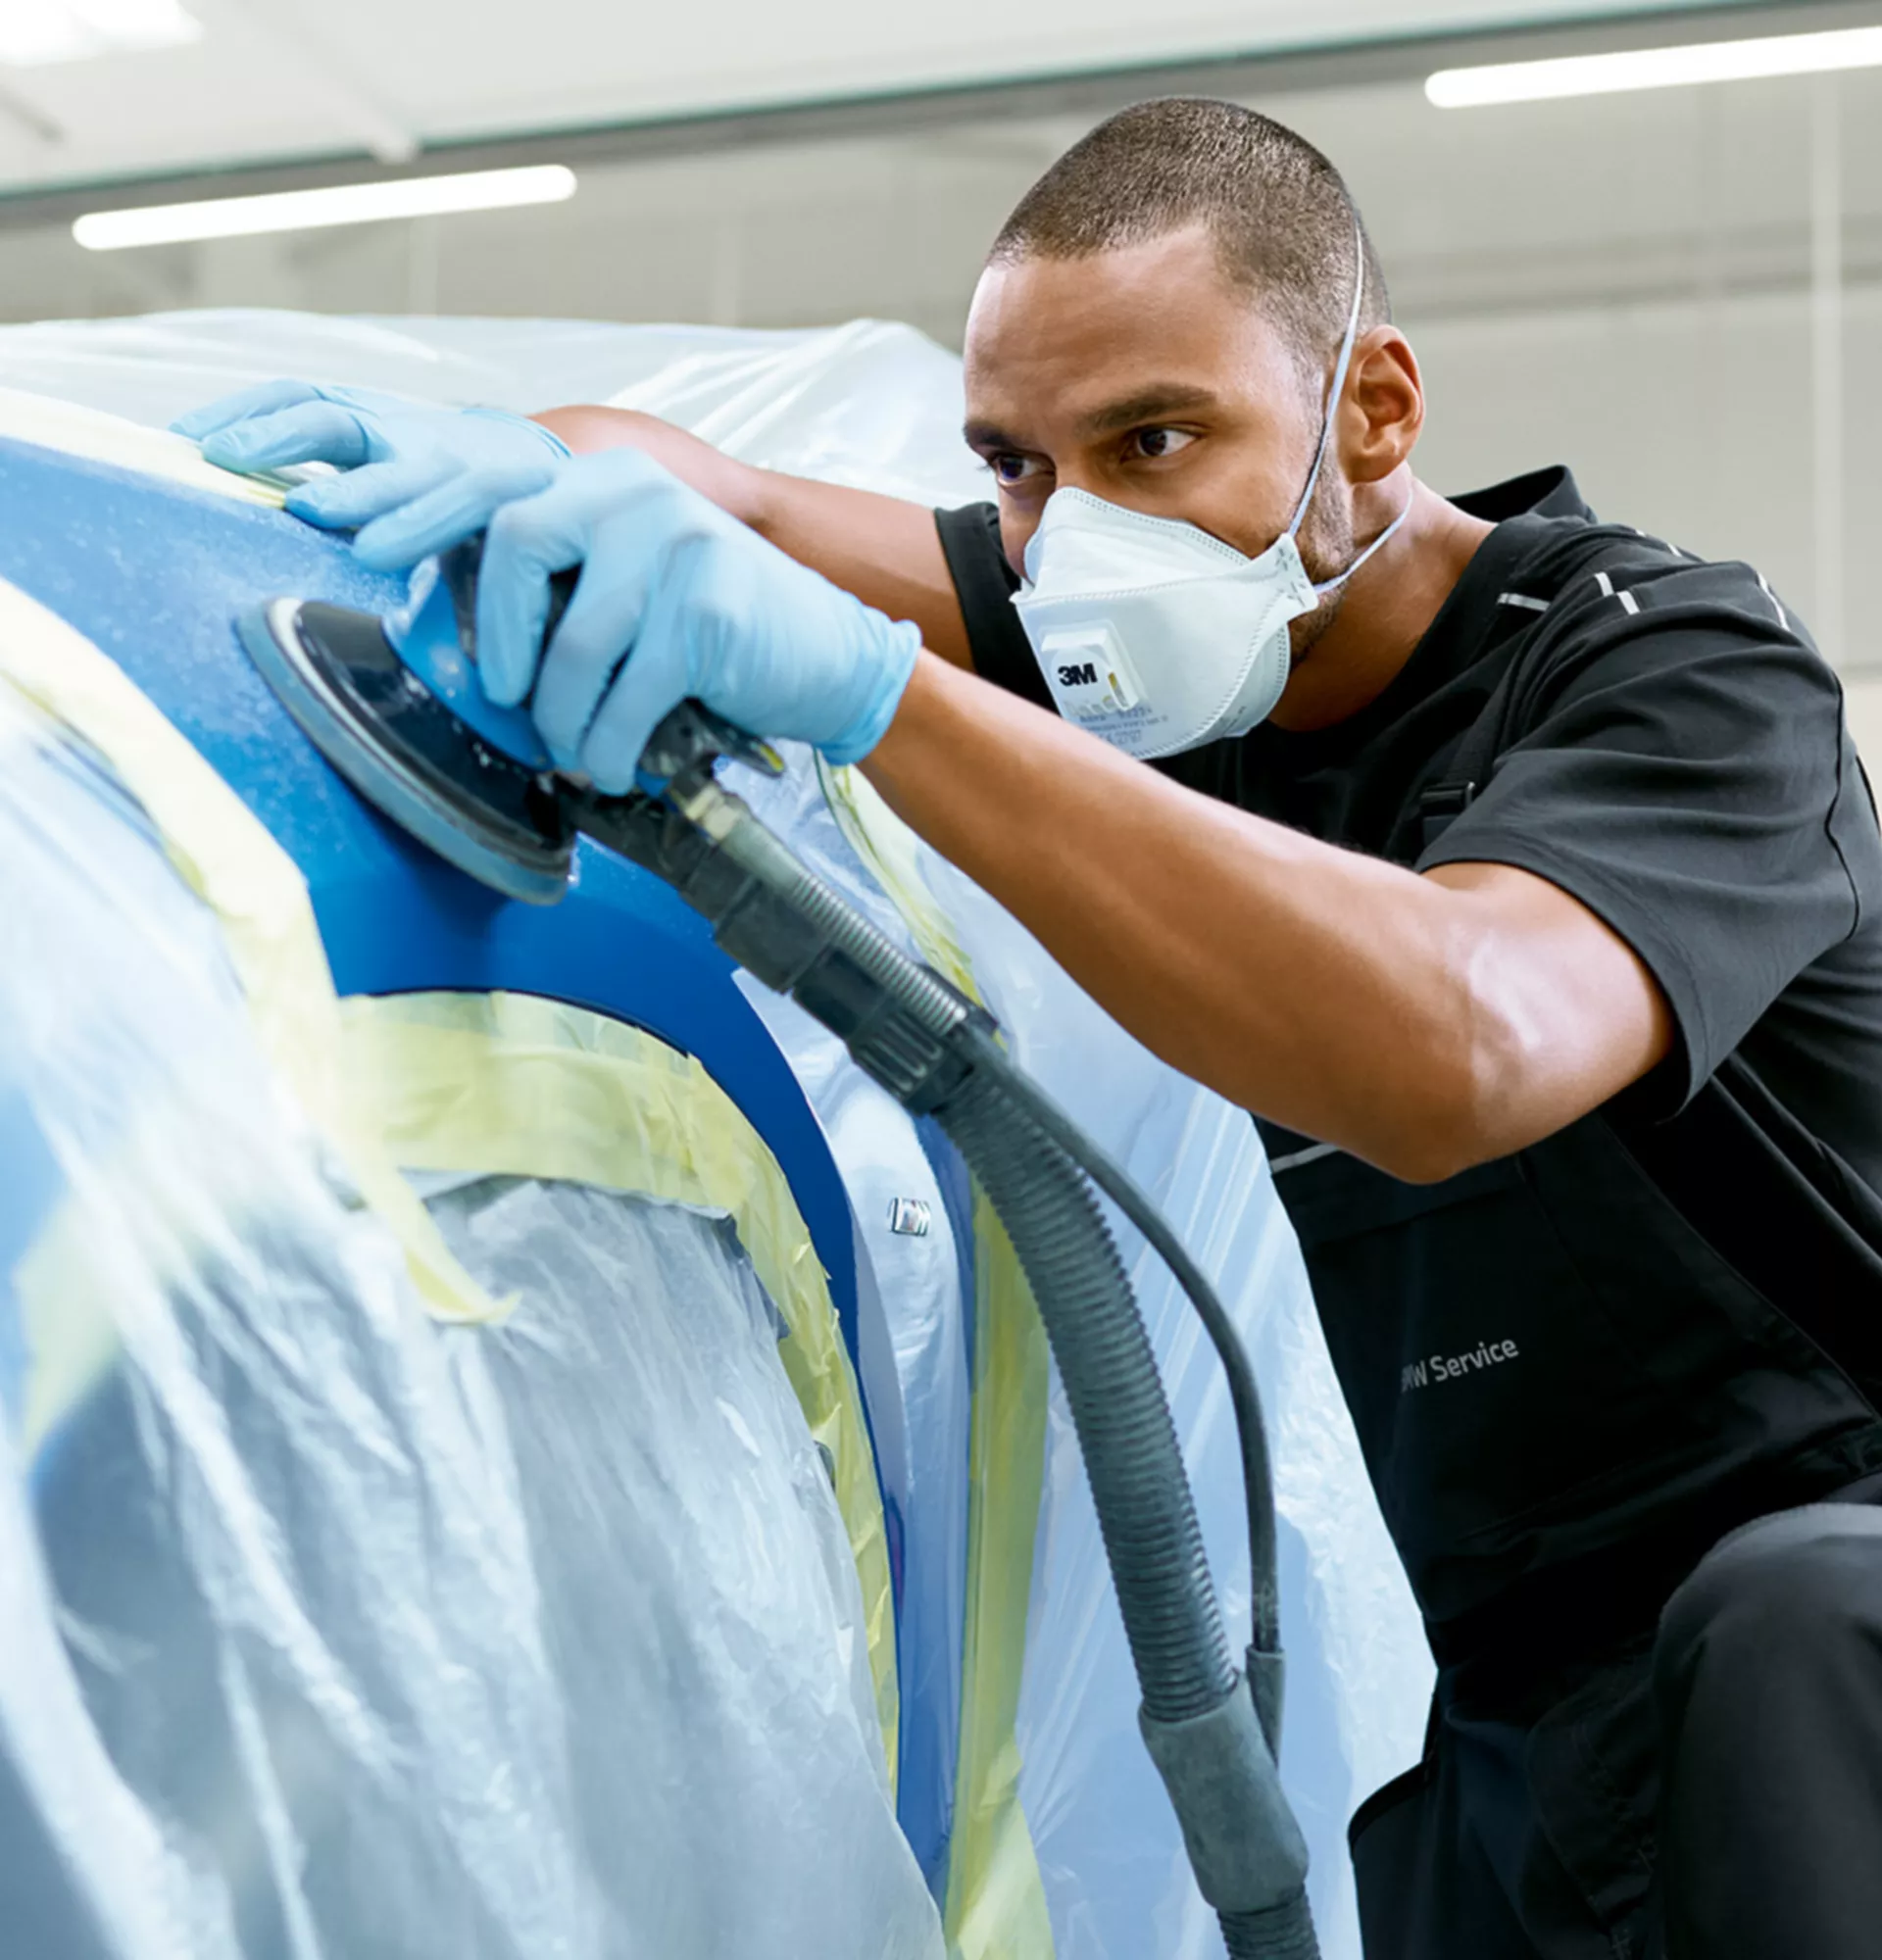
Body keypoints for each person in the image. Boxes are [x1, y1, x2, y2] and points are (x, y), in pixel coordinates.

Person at [177, 97, 1882, 1960]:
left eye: (1158, 438)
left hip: (1830, 1618)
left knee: (1787, 1626)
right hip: (1534, 1696)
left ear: (1374, 411)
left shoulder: (1672, 672)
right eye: (1014, 467)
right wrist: (507, 474)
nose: (1072, 543)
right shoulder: (1175, 624)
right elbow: (709, 492)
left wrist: (859, 683)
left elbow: (1453, 1045)